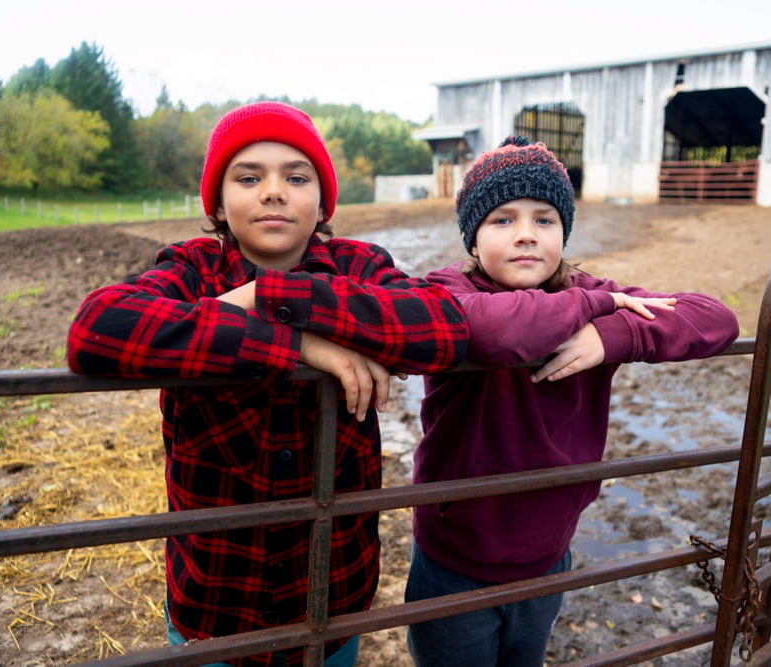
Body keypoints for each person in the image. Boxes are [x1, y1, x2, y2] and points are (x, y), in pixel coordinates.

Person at [66, 101, 469, 667]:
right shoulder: (193, 269)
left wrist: (271, 297)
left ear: (323, 201)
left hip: (333, 601)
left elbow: (444, 327)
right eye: (248, 177)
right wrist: (299, 344)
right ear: (219, 201)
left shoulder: (358, 265)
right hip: (217, 609)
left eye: (296, 177)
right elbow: (97, 328)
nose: (273, 191)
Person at [404, 136, 740, 666]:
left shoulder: (595, 297)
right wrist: (593, 306)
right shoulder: (449, 291)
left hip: (548, 551)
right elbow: (496, 333)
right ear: (472, 239)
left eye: (544, 220)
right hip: (456, 557)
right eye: (502, 220)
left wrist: (613, 336)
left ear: (564, 230)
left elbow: (715, 318)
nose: (525, 237)